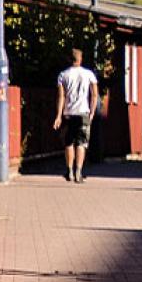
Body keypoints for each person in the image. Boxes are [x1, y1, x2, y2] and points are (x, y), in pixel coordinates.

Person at [53, 48, 98, 183]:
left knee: (68, 142)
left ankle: (69, 170)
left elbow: (61, 96)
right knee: (81, 143)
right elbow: (94, 94)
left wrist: (58, 116)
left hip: (68, 113)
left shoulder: (62, 75)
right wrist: (92, 111)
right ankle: (79, 171)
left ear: (69, 59)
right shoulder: (89, 74)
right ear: (81, 59)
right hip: (83, 112)